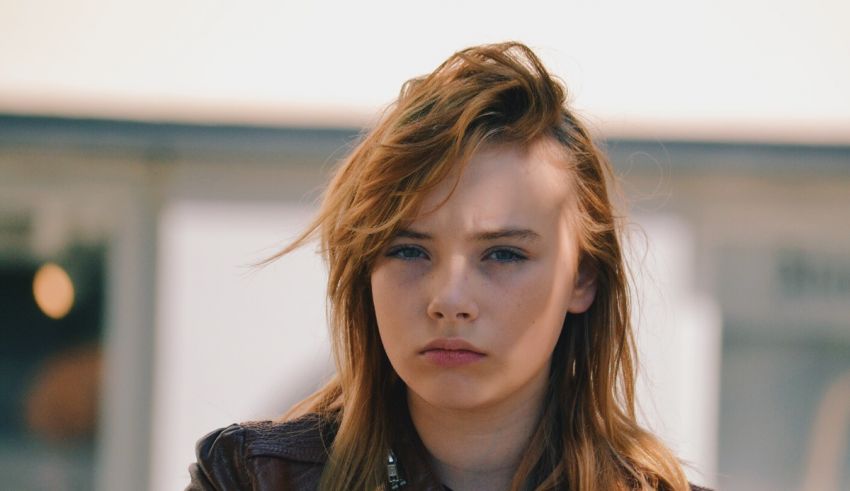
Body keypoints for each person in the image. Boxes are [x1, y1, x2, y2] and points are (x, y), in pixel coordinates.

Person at [186, 42, 711, 491]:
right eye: (409, 250)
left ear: (583, 278)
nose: (450, 300)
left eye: (503, 254)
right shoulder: (255, 479)